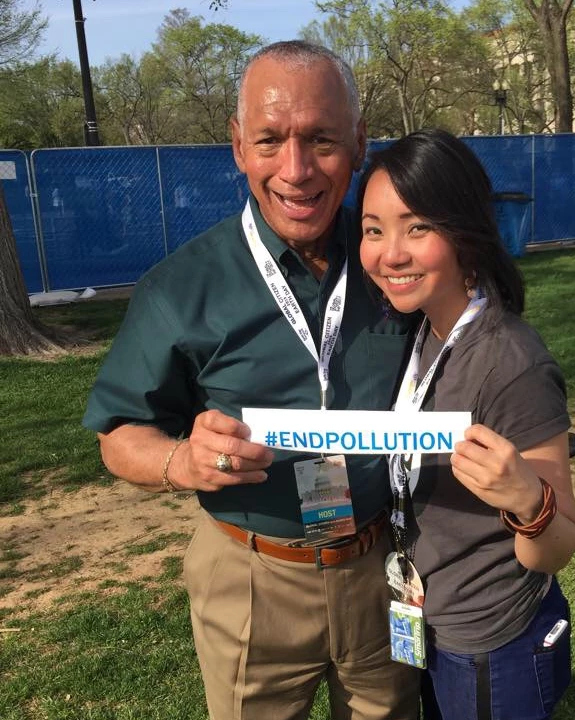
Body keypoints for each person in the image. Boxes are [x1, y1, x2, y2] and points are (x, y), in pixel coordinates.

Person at [82, 41, 419, 720]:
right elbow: (119, 433)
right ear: (238, 146)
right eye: (270, 140)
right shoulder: (181, 288)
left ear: (358, 143)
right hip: (251, 577)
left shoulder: (396, 261)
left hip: (385, 566)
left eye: (321, 140)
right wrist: (181, 459)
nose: (295, 170)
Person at [358, 128, 575, 720]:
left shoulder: (511, 362)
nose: (391, 253)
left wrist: (528, 500)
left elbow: (557, 546)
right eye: (374, 229)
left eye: (417, 227)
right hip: (429, 621)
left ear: (464, 233)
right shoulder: (419, 329)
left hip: (490, 639)